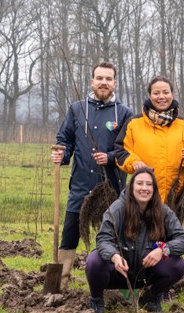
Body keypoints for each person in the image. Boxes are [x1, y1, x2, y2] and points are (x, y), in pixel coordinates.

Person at [51, 61, 133, 290]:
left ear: (115, 83)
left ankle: (114, 285)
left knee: (114, 237)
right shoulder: (77, 108)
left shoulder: (125, 113)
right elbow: (65, 139)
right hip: (80, 186)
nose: (103, 83)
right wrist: (62, 154)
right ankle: (60, 284)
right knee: (68, 237)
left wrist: (109, 157)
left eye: (108, 79)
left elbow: (128, 149)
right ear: (92, 81)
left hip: (111, 189)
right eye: (99, 78)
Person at [84, 167, 184, 313]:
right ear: (132, 186)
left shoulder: (163, 211)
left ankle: (151, 297)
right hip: (119, 272)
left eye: (149, 184)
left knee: (178, 265)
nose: (144, 188)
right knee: (94, 261)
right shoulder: (117, 209)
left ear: (154, 189)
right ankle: (96, 300)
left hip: (147, 274)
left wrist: (162, 250)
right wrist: (114, 256)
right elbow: (103, 239)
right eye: (140, 183)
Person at [115, 74, 184, 212]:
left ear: (172, 94)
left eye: (165, 92)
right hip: (142, 197)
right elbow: (120, 152)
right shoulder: (134, 124)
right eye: (156, 93)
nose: (161, 97)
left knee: (172, 234)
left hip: (176, 197)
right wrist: (133, 162)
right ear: (150, 96)